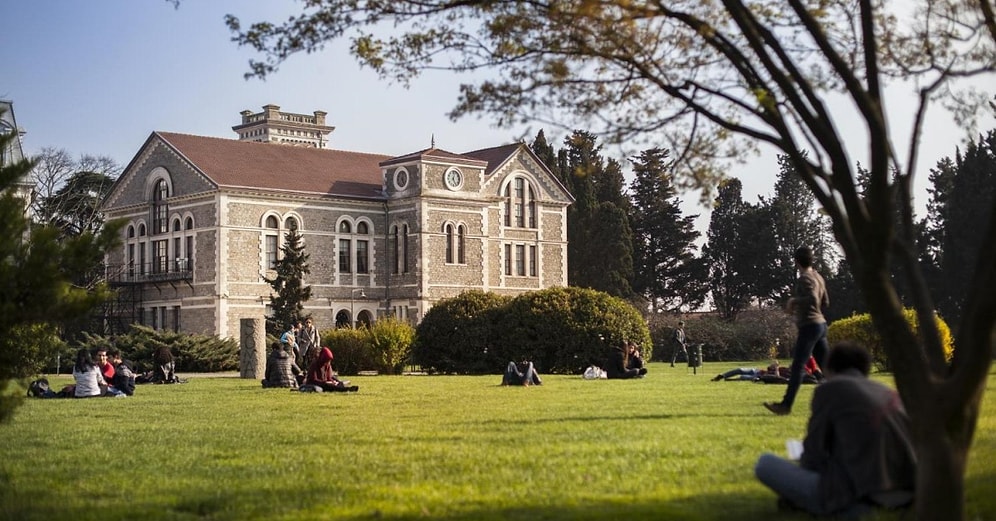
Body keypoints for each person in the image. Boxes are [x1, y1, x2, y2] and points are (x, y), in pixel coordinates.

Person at [754, 341, 916, 517]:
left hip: (861, 494)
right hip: (907, 492)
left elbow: (813, 453)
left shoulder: (831, 389)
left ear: (829, 367)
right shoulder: (885, 391)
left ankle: (841, 508)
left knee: (765, 463)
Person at [765, 246, 830, 415]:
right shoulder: (818, 277)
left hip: (809, 326)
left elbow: (813, 299)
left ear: (796, 262)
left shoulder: (805, 279)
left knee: (798, 366)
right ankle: (847, 401)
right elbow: (825, 302)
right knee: (829, 369)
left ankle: (786, 405)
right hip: (821, 325)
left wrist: (794, 301)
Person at [712, 357, 823, 383]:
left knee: (743, 377)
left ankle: (729, 380)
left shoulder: (792, 375)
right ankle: (722, 376)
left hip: (761, 376)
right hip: (760, 371)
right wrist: (773, 366)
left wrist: (776, 369)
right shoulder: (789, 368)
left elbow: (777, 377)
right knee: (740, 369)